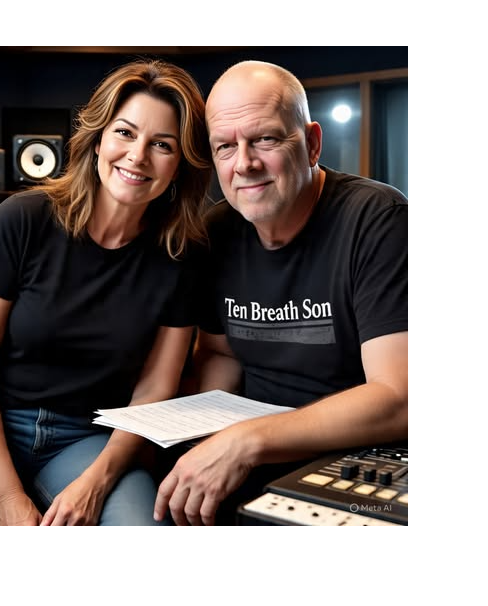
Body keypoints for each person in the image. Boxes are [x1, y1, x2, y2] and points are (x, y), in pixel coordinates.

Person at [0, 58, 212, 526]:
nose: (137, 156)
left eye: (162, 144)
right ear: (98, 139)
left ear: (180, 164)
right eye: (124, 133)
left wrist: (97, 480)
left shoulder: (182, 254)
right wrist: (7, 494)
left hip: (88, 437)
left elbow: (154, 389)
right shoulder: (24, 217)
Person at [154, 60, 408, 526]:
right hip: (250, 450)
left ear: (311, 144)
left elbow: (397, 398)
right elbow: (220, 354)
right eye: (225, 146)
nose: (244, 163)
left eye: (265, 139)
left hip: (351, 459)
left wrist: (245, 441)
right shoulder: (216, 231)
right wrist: (199, 438)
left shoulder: (378, 219)